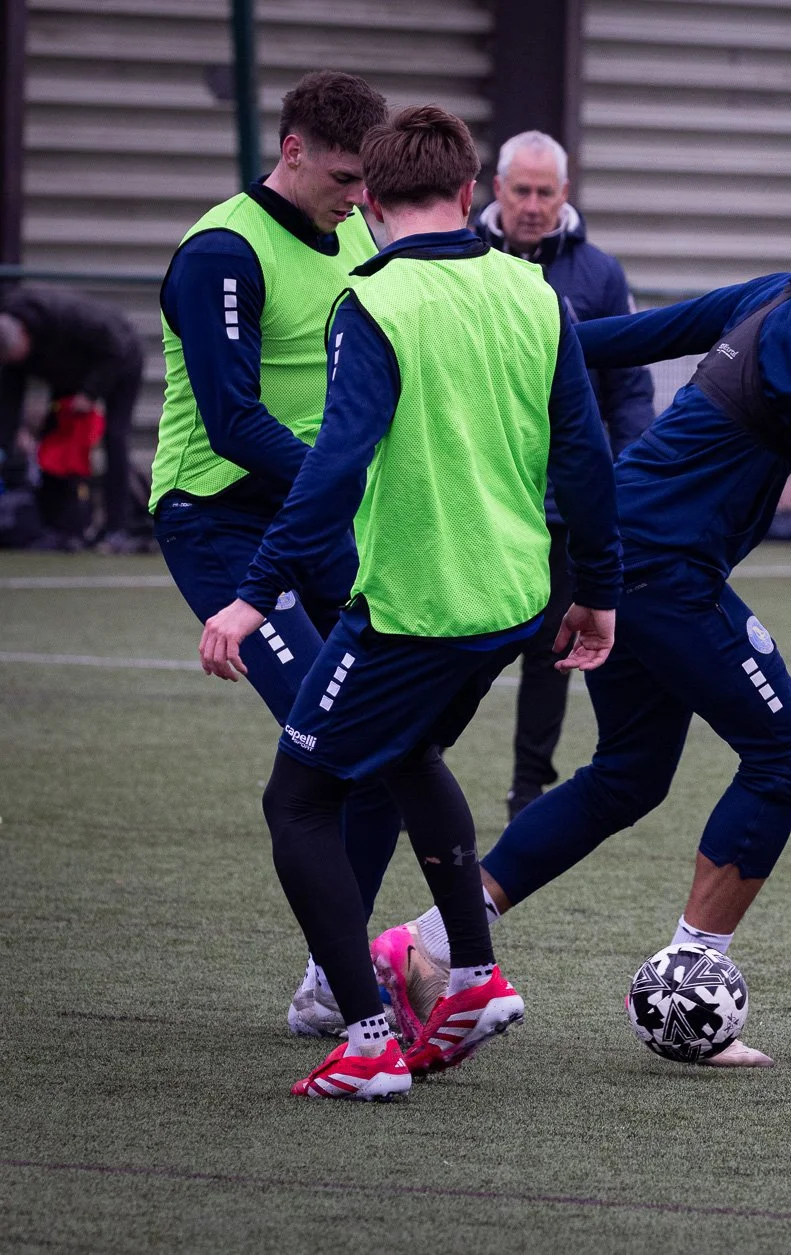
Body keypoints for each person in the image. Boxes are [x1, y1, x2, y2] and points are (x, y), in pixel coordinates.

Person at [368, 220, 791, 1067]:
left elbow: (649, 333)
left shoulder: (790, 290)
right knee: (790, 753)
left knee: (631, 775)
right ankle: (693, 972)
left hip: (627, 553)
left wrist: (529, 339)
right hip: (661, 567)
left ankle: (423, 944)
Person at [196, 105, 623, 1100]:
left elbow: (333, 468)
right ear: (473, 194)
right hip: (514, 601)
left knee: (298, 798)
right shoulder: (533, 292)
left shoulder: (375, 301)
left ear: (372, 205)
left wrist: (250, 594)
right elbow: (589, 460)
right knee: (406, 753)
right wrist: (597, 591)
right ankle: (472, 981)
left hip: (412, 608)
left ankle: (367, 1037)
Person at [146, 70, 405, 1037]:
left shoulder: (357, 233)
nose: (355, 198)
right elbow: (231, 420)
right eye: (343, 177)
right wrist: (337, 477)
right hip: (218, 520)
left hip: (319, 518)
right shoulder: (222, 251)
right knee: (328, 744)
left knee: (388, 740)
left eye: (365, 182)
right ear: (291, 150)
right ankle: (348, 987)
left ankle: (329, 976)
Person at [477, 129, 655, 820]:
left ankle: (529, 786)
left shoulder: (599, 275)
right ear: (496, 190)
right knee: (459, 639)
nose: (530, 204)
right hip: (481, 492)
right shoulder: (457, 252)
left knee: (552, 648)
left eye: (543, 192)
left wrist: (630, 471)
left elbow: (628, 388)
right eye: (519, 190)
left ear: (564, 195)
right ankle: (406, 764)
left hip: (560, 501)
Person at [0, 284, 145, 548]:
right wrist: (7, 443)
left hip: (121, 359)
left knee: (115, 438)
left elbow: (116, 346)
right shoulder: (13, 348)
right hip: (71, 375)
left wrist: (90, 393)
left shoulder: (64, 317)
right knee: (54, 443)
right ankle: (60, 525)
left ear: (23, 335)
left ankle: (118, 527)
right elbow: (9, 400)